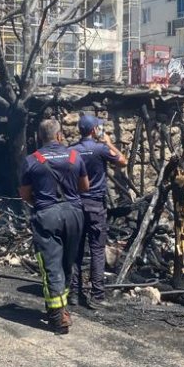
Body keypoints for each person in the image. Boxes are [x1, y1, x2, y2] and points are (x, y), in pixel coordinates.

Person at [19, 119, 89, 334]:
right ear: (59, 136)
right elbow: (85, 187)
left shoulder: (31, 160)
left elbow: (24, 195)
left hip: (47, 215)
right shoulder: (75, 157)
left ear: (40, 138)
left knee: (51, 265)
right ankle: (61, 309)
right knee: (68, 262)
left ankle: (57, 317)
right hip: (75, 214)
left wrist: (42, 205)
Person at [70, 113, 127, 309]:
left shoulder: (72, 151)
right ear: (94, 130)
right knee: (97, 250)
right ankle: (97, 296)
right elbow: (123, 161)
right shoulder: (101, 149)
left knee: (76, 251)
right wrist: (109, 143)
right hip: (95, 205)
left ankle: (74, 295)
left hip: (76, 205)